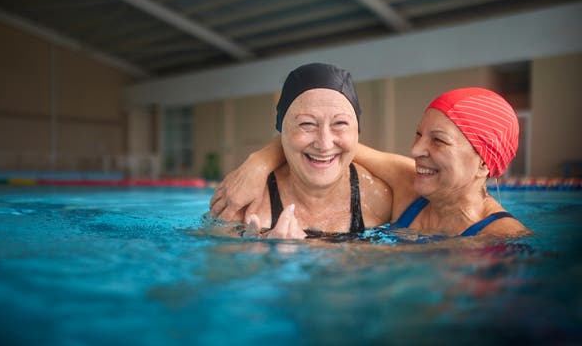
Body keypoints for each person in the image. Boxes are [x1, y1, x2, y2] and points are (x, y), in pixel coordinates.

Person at [211, 87, 530, 238]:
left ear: (484, 164)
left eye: (438, 140)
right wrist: (258, 162)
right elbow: (336, 146)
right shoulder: (410, 186)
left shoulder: (505, 238)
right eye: (418, 134)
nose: (416, 149)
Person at [212, 62, 392, 239]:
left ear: (357, 131)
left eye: (340, 124)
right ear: (282, 132)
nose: (324, 144)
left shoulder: (380, 200)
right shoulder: (246, 203)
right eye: (307, 124)